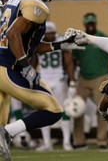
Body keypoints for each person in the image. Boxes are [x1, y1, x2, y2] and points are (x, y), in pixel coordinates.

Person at [0, 0, 84, 161]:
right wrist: (25, 66)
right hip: (8, 69)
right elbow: (13, 35)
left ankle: (5, 133)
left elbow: (29, 45)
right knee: (53, 110)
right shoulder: (36, 5)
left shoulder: (15, 0)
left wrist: (60, 45)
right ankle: (8, 132)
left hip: (3, 67)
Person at [72, 13, 108, 149]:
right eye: (88, 24)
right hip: (83, 78)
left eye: (93, 23)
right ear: (85, 25)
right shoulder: (79, 40)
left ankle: (102, 139)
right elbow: (73, 59)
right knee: (77, 108)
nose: (91, 26)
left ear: (96, 23)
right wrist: (72, 79)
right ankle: (79, 140)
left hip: (101, 77)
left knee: (102, 108)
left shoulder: (103, 37)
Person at [31, 21, 76, 151]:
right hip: (44, 81)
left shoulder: (61, 42)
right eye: (48, 33)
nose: (51, 35)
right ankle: (47, 143)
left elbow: (68, 62)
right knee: (44, 111)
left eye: (52, 33)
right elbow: (33, 61)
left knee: (64, 110)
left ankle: (66, 142)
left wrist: (72, 81)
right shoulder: (38, 42)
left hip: (59, 80)